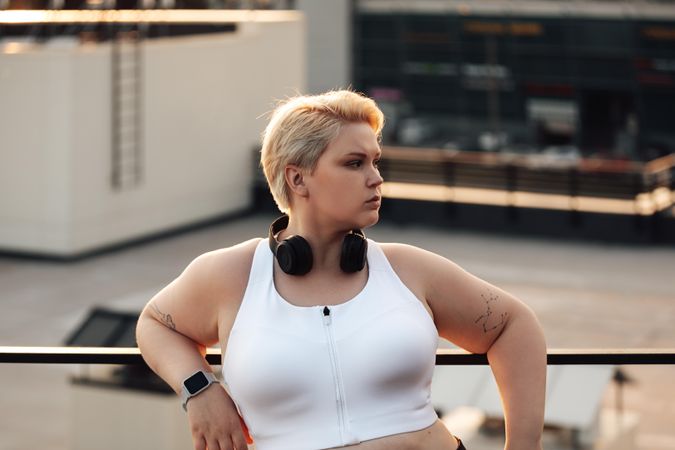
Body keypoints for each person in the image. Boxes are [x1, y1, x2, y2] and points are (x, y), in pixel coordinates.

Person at [136, 89, 547, 450]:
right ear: (298, 179)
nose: (376, 178)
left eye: (375, 161)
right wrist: (200, 390)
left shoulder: (408, 268)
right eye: (354, 163)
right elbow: (155, 323)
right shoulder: (231, 275)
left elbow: (514, 325)